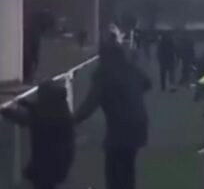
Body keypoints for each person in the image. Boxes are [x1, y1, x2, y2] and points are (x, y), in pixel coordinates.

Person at [74, 37, 151, 189]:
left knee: (113, 169)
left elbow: (90, 104)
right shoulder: (130, 69)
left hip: (119, 127)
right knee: (128, 165)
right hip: (139, 124)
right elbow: (147, 83)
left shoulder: (103, 74)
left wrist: (72, 120)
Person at [1, 81, 75, 189]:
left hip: (47, 164)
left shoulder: (48, 115)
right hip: (57, 160)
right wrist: (26, 103)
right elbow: (40, 111)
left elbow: (26, 120)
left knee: (43, 184)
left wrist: (5, 111)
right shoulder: (60, 106)